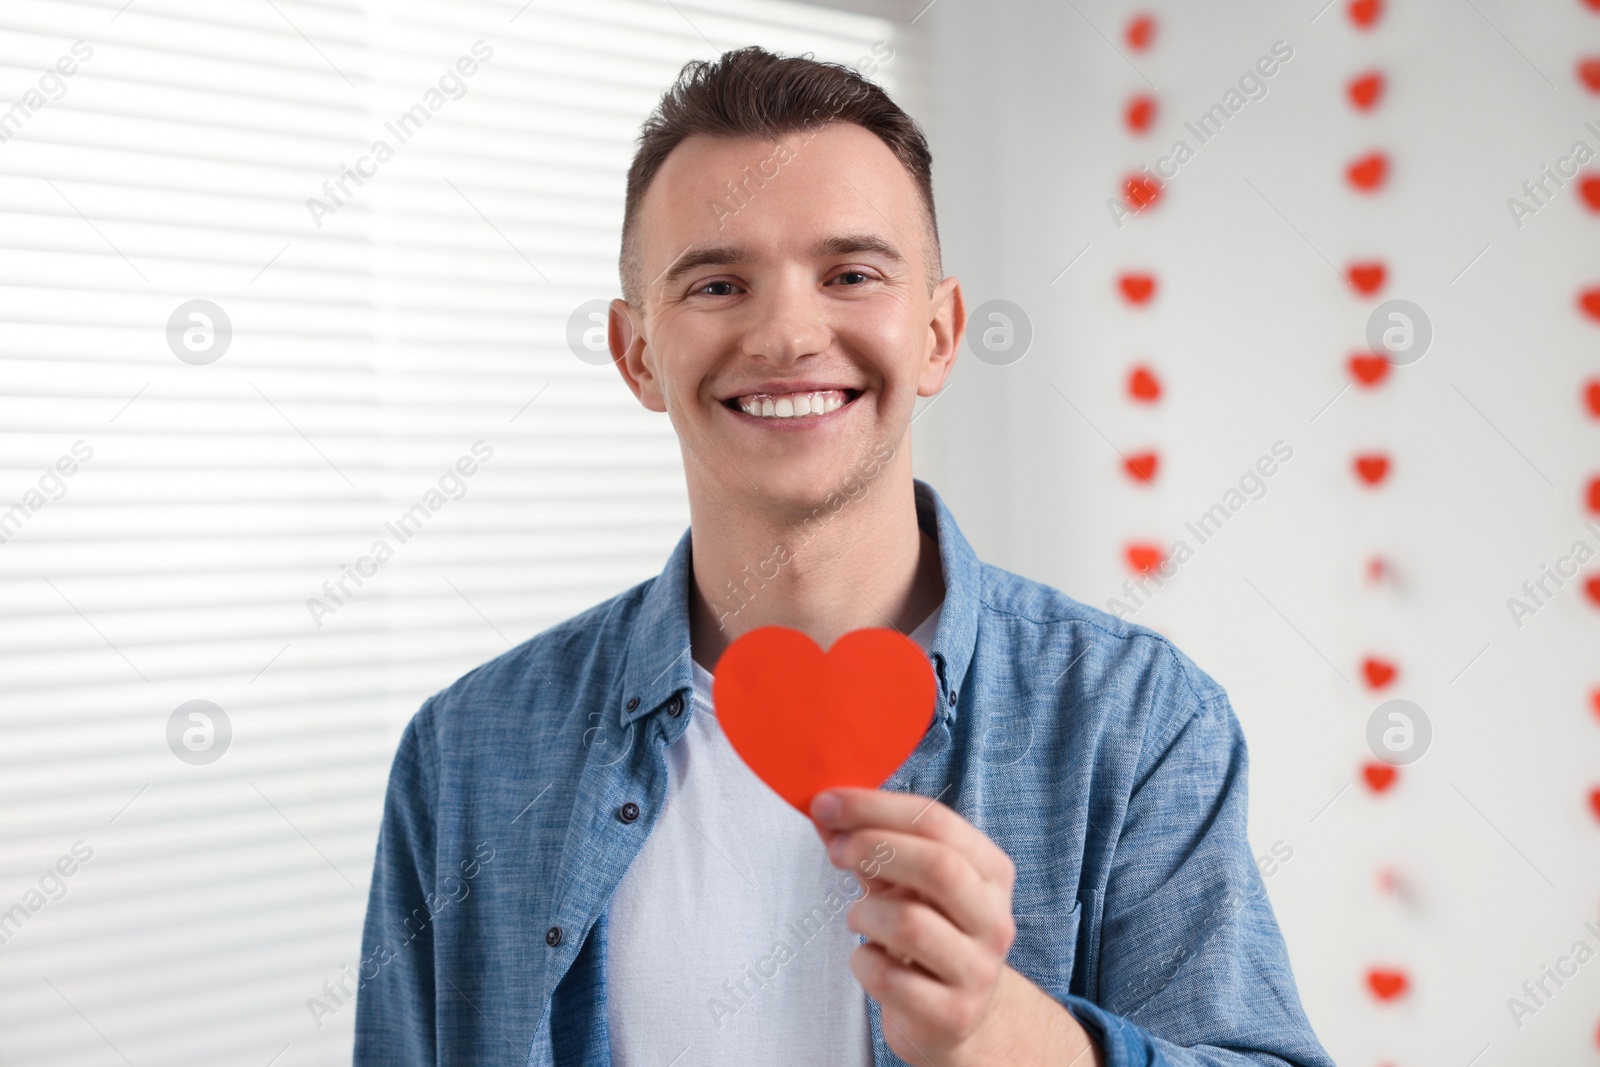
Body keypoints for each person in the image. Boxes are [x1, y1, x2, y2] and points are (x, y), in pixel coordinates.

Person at [354, 46, 1336, 1067]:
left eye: (851, 273)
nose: (785, 331)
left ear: (940, 334)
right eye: (718, 282)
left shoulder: (1137, 721)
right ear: (636, 354)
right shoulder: (466, 752)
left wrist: (1003, 1032)